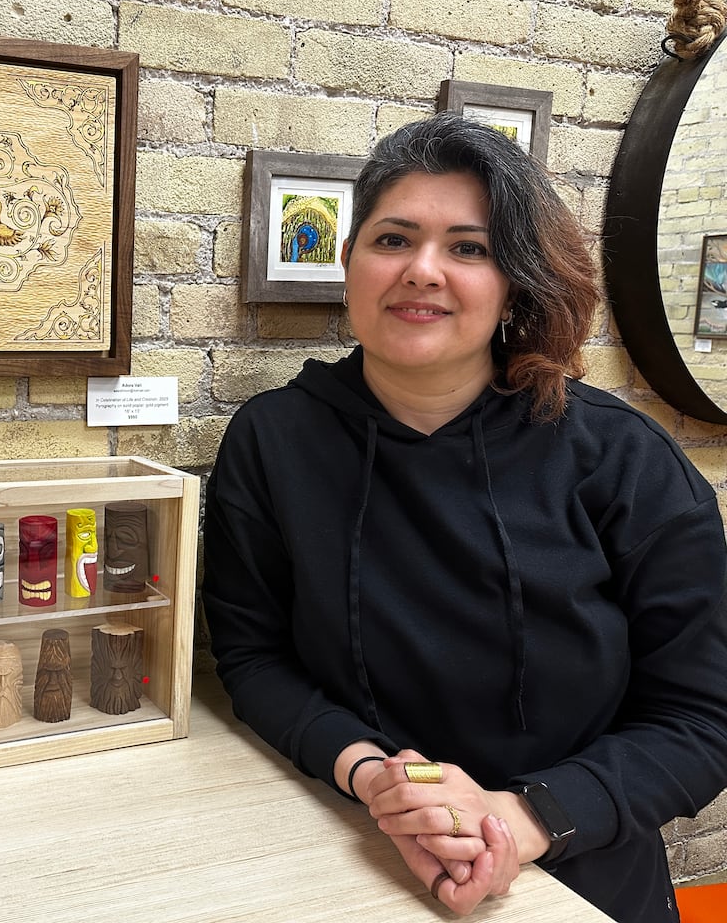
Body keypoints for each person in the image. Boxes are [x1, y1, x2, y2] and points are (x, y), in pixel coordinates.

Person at [202, 112, 727, 923]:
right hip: (349, 849)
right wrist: (375, 777)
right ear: (349, 262)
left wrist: (519, 822)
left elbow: (705, 716)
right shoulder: (274, 439)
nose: (422, 270)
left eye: (468, 249)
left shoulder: (620, 457)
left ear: (514, 282)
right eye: (393, 239)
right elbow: (253, 657)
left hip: (575, 868)